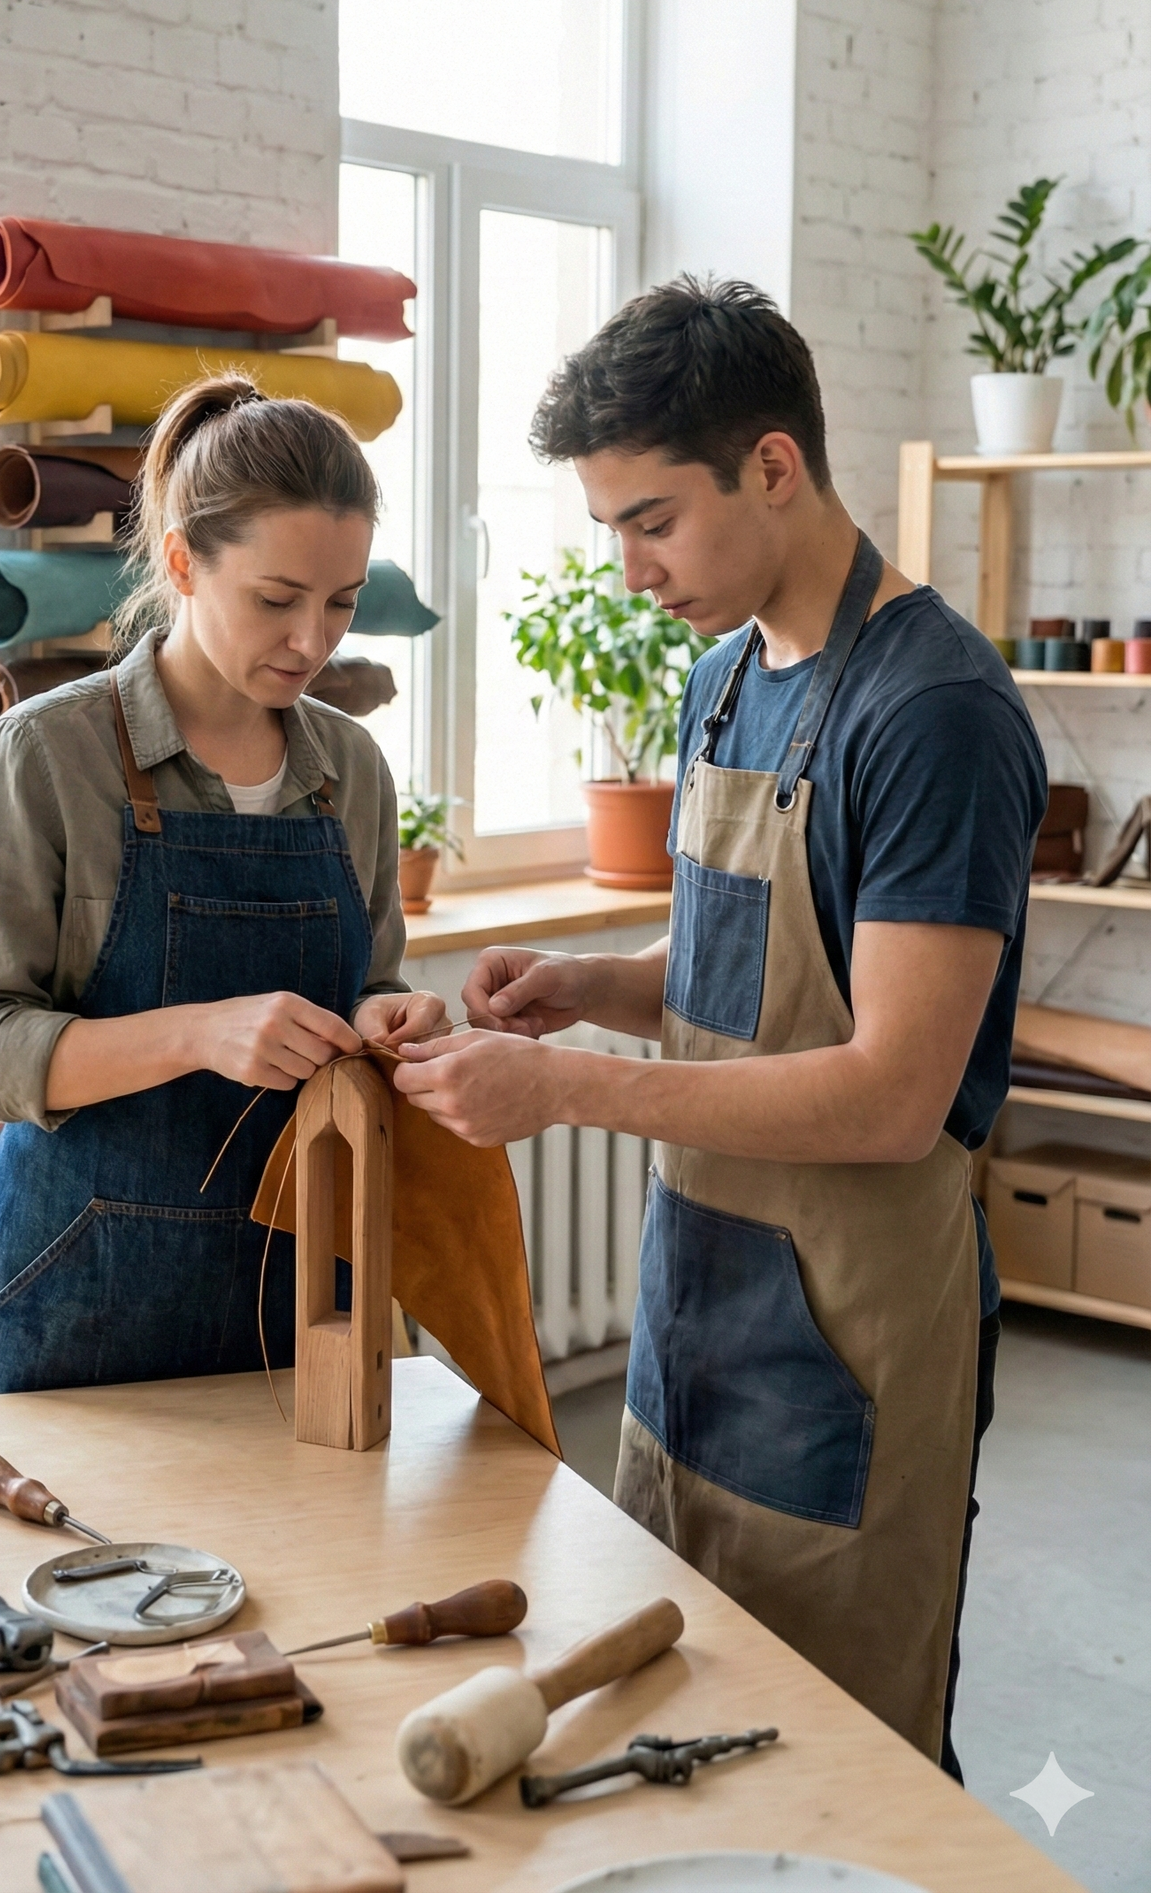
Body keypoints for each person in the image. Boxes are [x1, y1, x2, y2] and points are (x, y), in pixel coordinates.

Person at [394, 278, 1045, 1773]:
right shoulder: (724, 675)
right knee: (678, 1724)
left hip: (852, 1330)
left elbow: (889, 1089)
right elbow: (735, 973)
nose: (628, 571)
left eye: (652, 520)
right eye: (609, 529)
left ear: (774, 466)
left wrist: (562, 1086)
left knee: (835, 1767)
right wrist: (592, 987)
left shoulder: (933, 712)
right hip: (698, 1310)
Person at [0, 375, 447, 1398]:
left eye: (342, 602)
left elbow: (368, 984)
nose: (314, 640)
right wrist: (200, 1034)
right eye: (276, 600)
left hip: (302, 1309)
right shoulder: (49, 753)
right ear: (181, 562)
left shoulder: (351, 771)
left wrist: (394, 1018)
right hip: (77, 1308)